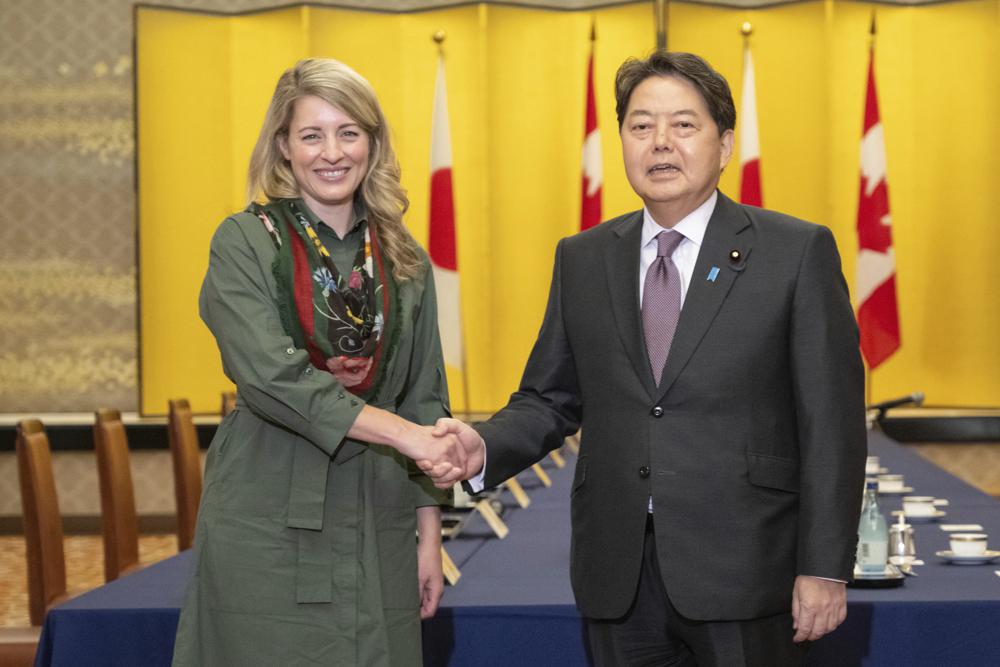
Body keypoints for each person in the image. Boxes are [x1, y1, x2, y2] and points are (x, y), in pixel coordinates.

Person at [430, 51, 866, 666]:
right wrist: (483, 446)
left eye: (684, 125)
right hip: (619, 573)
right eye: (641, 126)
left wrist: (825, 566)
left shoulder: (794, 252)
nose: (660, 143)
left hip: (746, 571)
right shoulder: (583, 257)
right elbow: (550, 398)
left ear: (725, 143)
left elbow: (832, 425)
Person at [172, 58, 466, 666]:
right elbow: (275, 379)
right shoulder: (244, 241)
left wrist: (430, 538)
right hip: (266, 510)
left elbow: (425, 396)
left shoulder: (405, 256)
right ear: (284, 145)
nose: (331, 152)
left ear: (372, 142)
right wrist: (408, 436)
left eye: (349, 132)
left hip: (378, 511)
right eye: (312, 135)